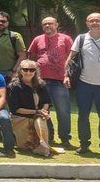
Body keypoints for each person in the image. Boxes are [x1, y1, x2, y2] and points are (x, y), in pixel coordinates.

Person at [64, 13, 100, 158]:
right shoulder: (81, 38)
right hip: (84, 84)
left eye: (98, 20)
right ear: (87, 23)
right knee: (83, 116)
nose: (95, 23)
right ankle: (84, 145)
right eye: (91, 21)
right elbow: (70, 58)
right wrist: (66, 76)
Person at [27, 16, 75, 149]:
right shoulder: (37, 39)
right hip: (40, 82)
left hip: (59, 81)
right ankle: (49, 136)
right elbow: (30, 56)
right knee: (43, 110)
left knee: (63, 111)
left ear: (56, 25)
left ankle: (65, 139)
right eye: (44, 24)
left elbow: (72, 58)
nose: (47, 26)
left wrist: (68, 75)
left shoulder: (65, 39)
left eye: (50, 23)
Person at [7, 60, 53, 157]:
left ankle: (44, 147)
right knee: (25, 147)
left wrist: (43, 111)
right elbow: (15, 109)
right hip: (21, 118)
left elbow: (47, 102)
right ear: (20, 71)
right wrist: (37, 111)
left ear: (35, 71)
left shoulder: (41, 84)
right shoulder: (14, 86)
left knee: (40, 121)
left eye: (32, 70)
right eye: (25, 70)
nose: (28, 72)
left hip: (38, 116)